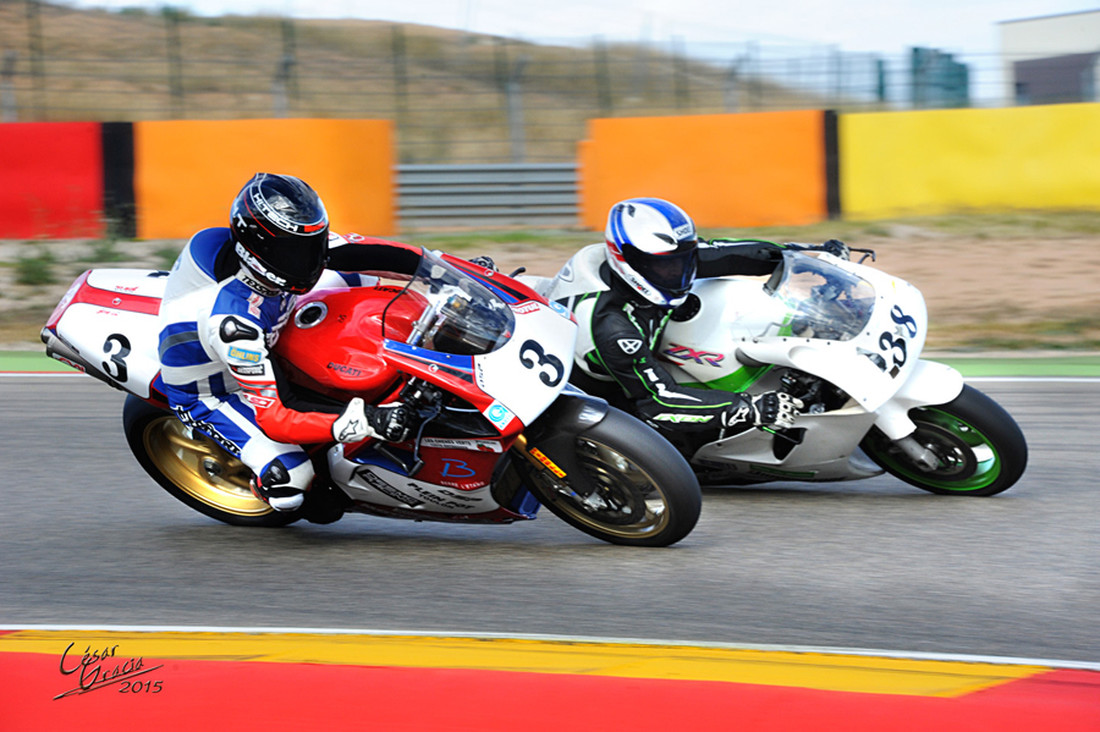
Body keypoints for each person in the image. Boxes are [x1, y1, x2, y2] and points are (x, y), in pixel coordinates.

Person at [157, 172, 422, 516]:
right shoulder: (235, 324)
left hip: (268, 319)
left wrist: (452, 272)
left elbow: (376, 253)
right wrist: (369, 420)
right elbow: (277, 416)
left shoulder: (288, 255)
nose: (312, 258)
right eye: (295, 250)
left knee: (364, 277)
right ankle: (262, 485)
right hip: (217, 389)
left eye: (315, 242)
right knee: (292, 485)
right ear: (259, 251)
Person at [549, 197, 850, 445]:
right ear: (629, 262)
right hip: (610, 400)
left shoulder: (659, 260)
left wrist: (805, 256)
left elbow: (727, 254)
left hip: (648, 354)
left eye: (684, 260)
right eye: (667, 266)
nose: (679, 273)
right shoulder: (611, 327)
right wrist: (748, 408)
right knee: (705, 439)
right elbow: (657, 402)